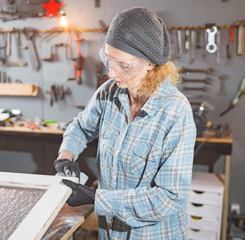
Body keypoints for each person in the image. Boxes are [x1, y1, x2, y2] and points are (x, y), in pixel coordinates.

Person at [54, 7, 196, 240]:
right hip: (110, 232)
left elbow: (169, 198)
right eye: (109, 60)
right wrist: (66, 156)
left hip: (151, 235)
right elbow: (80, 126)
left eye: (124, 65)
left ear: (150, 64)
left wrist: (95, 198)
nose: (111, 73)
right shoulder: (110, 92)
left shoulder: (175, 112)